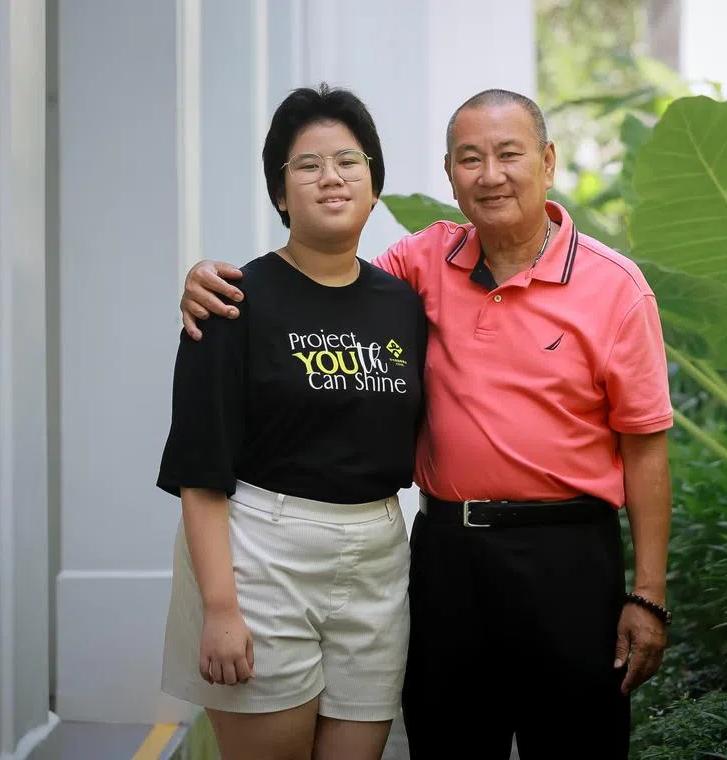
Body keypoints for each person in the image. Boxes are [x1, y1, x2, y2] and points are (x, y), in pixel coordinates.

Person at [180, 88, 672, 760]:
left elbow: (646, 449)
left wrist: (649, 596)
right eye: (470, 158)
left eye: (508, 154)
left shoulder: (615, 286)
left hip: (569, 559)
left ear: (548, 161)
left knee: (578, 744)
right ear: (449, 174)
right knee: (448, 741)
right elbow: (320, 292)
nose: (490, 174)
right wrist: (207, 276)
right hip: (446, 556)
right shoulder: (420, 265)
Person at [157, 85, 426, 760]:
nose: (330, 176)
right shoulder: (230, 301)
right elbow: (201, 474)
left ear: (373, 183)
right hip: (263, 555)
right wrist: (220, 609)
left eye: (348, 161)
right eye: (307, 165)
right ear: (281, 193)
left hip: (378, 555)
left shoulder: (404, 305)